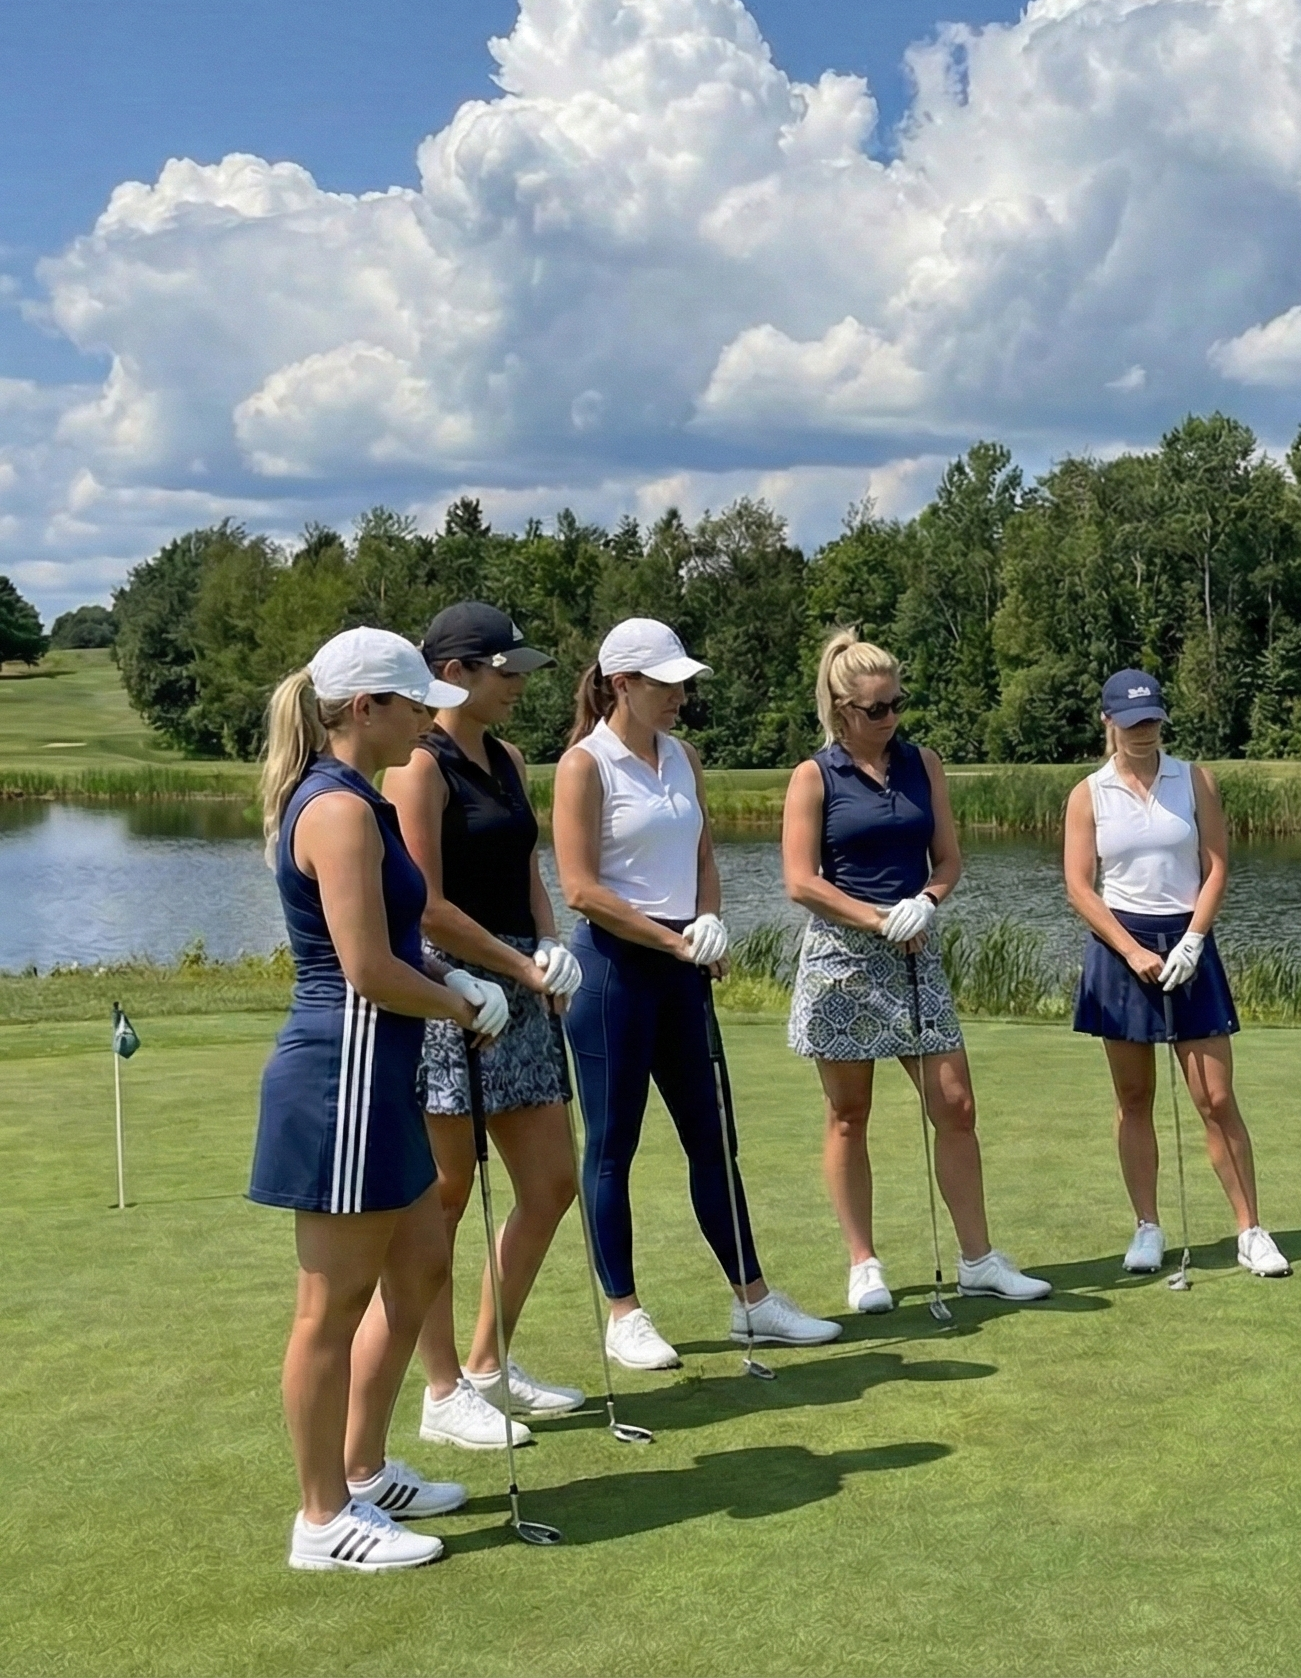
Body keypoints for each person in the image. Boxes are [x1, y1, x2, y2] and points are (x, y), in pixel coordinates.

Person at [251, 627, 509, 1572]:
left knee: (421, 1266)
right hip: (341, 1078)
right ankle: (322, 1521)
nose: (425, 721)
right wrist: (460, 1002)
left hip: (375, 1072)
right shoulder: (340, 810)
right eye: (412, 705)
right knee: (331, 1303)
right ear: (366, 709)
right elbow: (365, 970)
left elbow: (396, 938)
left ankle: (361, 1470)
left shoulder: (355, 798)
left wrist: (448, 976)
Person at [555, 616, 837, 1369]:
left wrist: (708, 919)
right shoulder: (586, 766)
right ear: (623, 685)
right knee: (614, 1148)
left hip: (682, 971)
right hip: (614, 974)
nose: (681, 696)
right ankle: (624, 1313)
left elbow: (703, 850)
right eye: (667, 684)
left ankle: (754, 1302)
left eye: (684, 684)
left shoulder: (683, 756)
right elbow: (581, 889)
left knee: (713, 1141)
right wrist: (676, 939)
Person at [783, 629, 1051, 1312]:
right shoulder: (815, 776)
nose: (891, 718)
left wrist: (925, 903)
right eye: (877, 709)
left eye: (898, 703)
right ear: (843, 710)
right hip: (844, 957)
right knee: (849, 1113)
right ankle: (863, 1263)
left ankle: (978, 1260)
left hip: (914, 949)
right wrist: (874, 919)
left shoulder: (922, 763)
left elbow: (949, 860)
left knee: (955, 1104)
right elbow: (800, 881)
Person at [383, 602, 584, 1451]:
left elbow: (527, 865)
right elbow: (424, 906)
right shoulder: (419, 769)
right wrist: (514, 967)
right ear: (456, 673)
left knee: (550, 1185)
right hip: (453, 988)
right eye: (507, 672)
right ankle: (441, 1391)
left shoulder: (506, 759)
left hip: (517, 978)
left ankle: (489, 1363)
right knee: (446, 1200)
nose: (519, 687)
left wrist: (549, 943)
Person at [1063, 669, 1289, 1278]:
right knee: (1133, 1097)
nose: (1145, 732)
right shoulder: (1090, 793)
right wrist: (1131, 951)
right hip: (1120, 946)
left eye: (1153, 720)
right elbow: (1080, 889)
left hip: (1190, 939)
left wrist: (1194, 938)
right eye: (1132, 722)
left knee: (1215, 1097)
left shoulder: (1195, 780)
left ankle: (1251, 1230)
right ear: (1108, 722)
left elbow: (1216, 867)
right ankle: (1147, 1228)